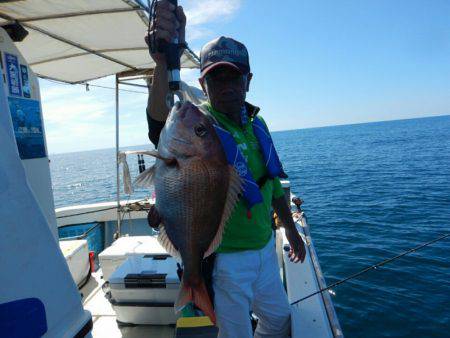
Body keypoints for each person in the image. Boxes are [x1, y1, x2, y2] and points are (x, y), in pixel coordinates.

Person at [145, 1, 306, 337]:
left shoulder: (257, 123)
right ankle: (196, 286)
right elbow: (160, 117)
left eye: (233, 77)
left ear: (247, 80)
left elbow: (271, 184)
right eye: (216, 79)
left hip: (264, 247)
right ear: (204, 86)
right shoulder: (202, 125)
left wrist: (289, 229)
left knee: (279, 320)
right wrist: (162, 63)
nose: (226, 86)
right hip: (227, 260)